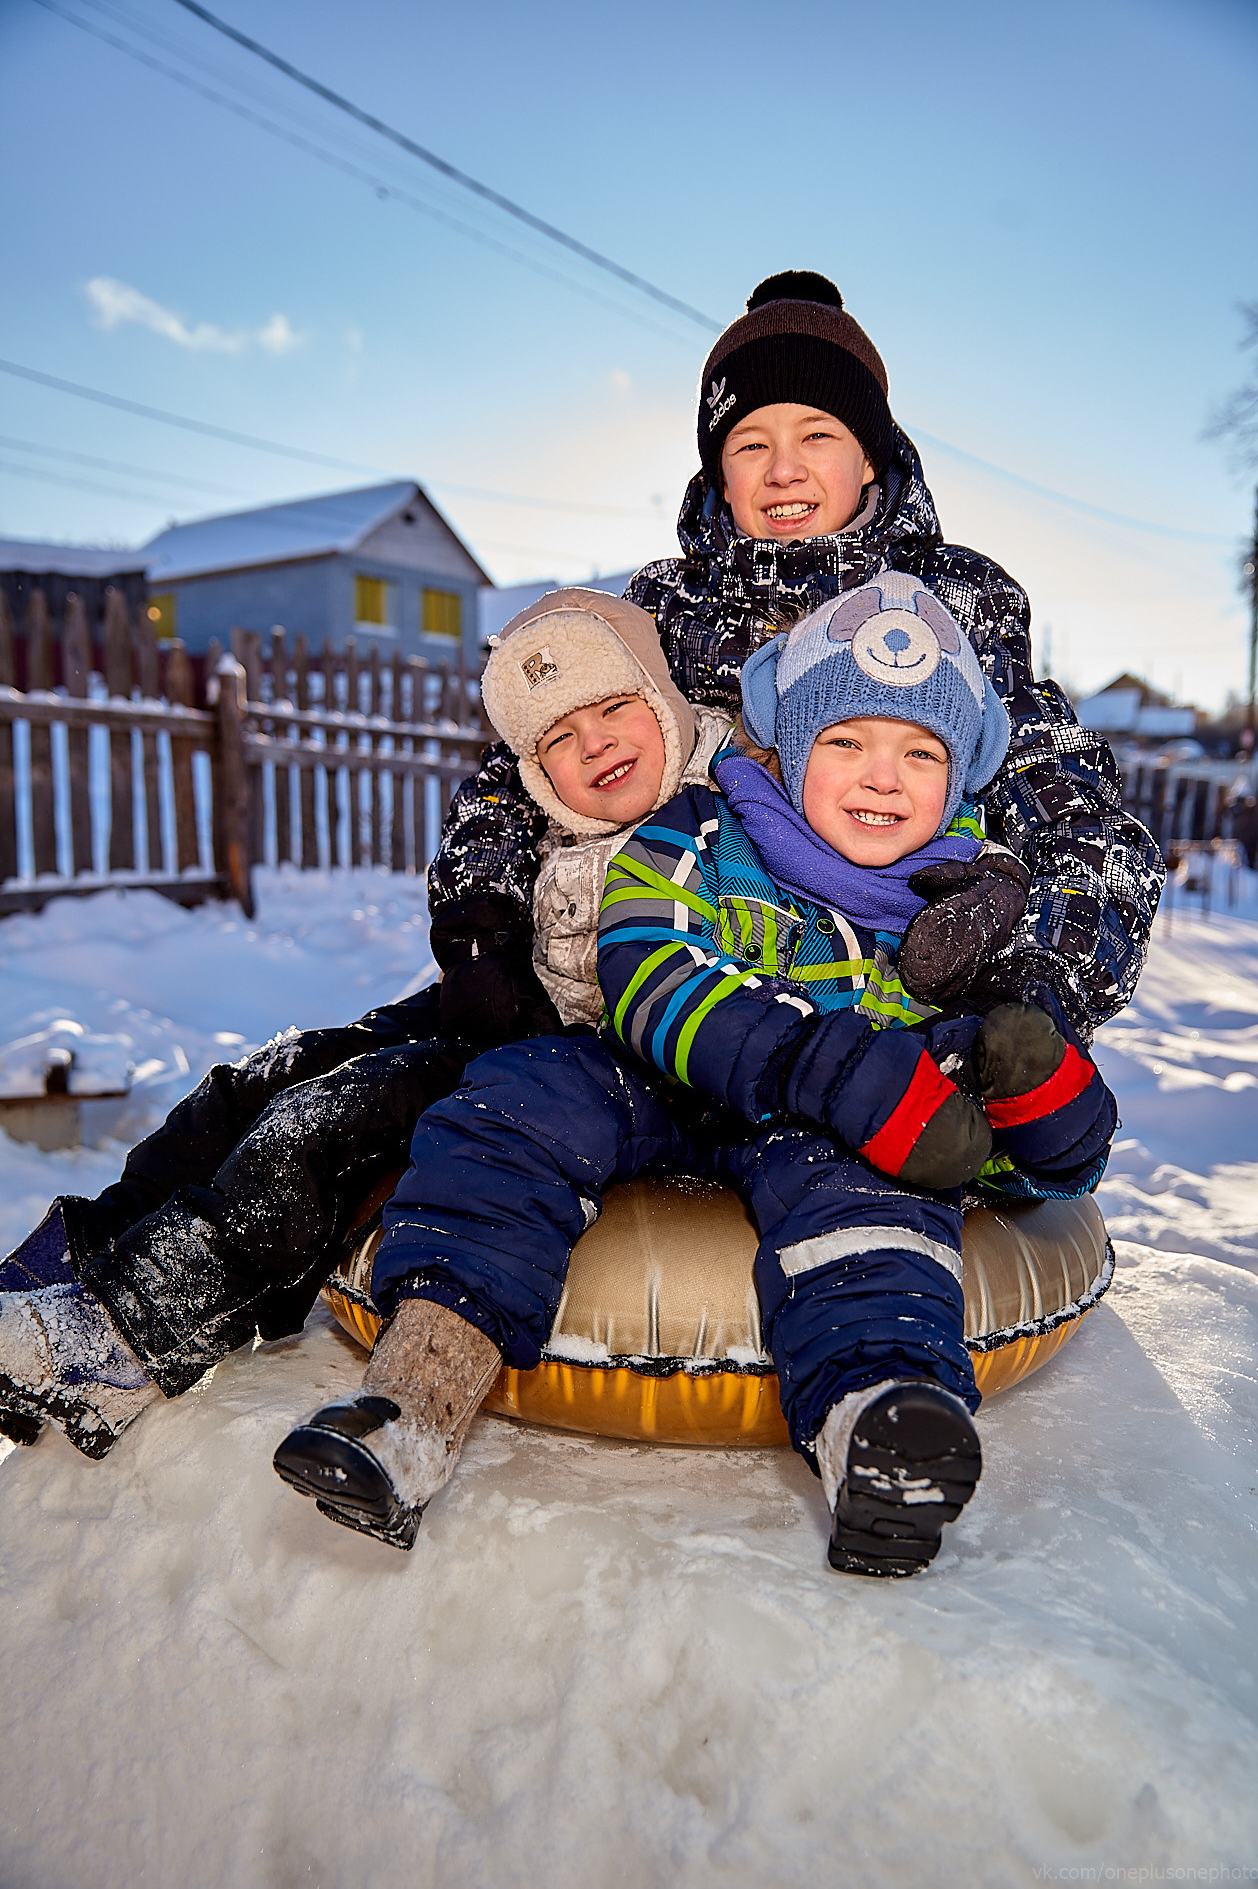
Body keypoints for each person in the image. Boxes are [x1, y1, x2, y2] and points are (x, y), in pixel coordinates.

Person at [275, 573, 1116, 1575]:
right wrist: (827, 1058)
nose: (882, 778)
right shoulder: (704, 831)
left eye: (919, 752)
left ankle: (879, 1426)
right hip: (657, 1074)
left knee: (876, 1201)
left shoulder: (967, 906)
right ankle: (413, 1399)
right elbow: (649, 967)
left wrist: (1040, 1106)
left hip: (824, 1140)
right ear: (789, 747)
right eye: (845, 742)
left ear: (956, 778)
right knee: (512, 1102)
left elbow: (996, 1147)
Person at [0, 590, 730, 1461]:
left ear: (664, 701)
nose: (595, 743)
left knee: (336, 1121)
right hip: (525, 1006)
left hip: (615, 1057)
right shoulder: (544, 826)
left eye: (615, 709)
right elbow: (484, 843)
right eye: (557, 739)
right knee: (277, 1073)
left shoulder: (732, 807)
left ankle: (122, 1341)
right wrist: (482, 954)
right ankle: (64, 1270)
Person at [430, 269, 1163, 1050]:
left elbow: (1068, 803)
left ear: (870, 459)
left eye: (818, 434)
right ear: (718, 473)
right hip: (671, 972)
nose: (784, 470)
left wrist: (1033, 980)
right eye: (750, 444)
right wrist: (482, 923)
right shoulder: (669, 605)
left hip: (883, 993)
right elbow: (526, 767)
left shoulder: (950, 602)